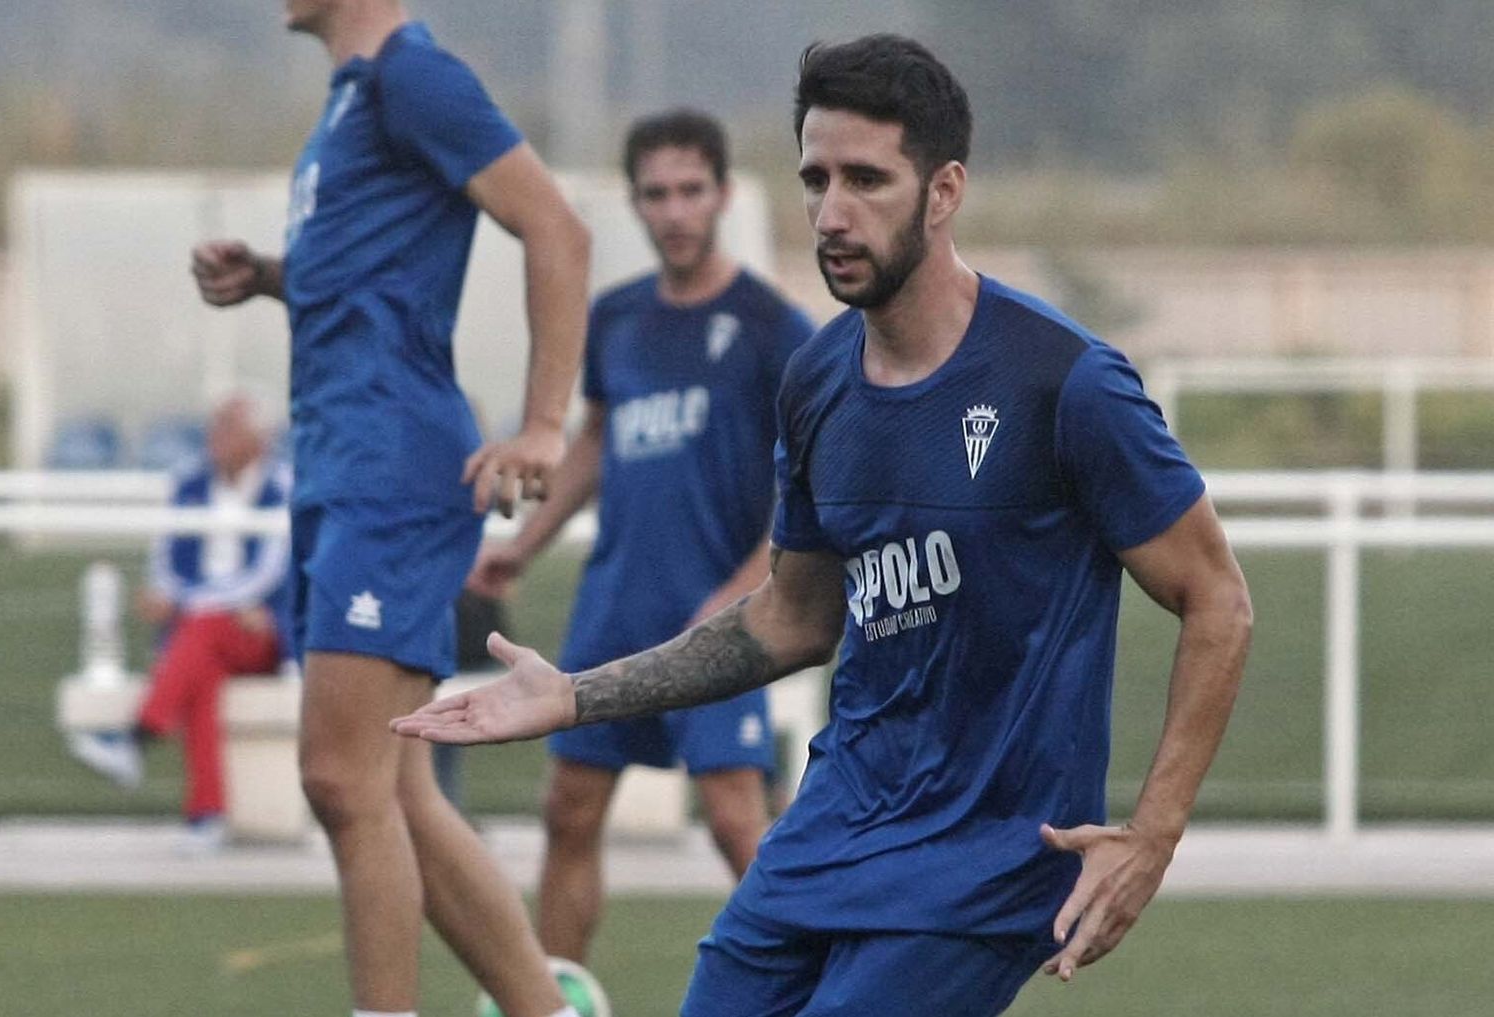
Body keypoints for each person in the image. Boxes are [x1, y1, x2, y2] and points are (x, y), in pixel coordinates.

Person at [392, 33, 1253, 1017]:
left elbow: (1217, 599)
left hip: (988, 856)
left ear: (943, 191)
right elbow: (790, 619)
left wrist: (1151, 837)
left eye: (866, 180)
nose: (831, 214)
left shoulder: (1064, 382)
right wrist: (574, 697)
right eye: (813, 178)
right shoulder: (815, 383)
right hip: (827, 834)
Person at [188, 2, 590, 1015]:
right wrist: (275, 281)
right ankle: (548, 1011)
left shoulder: (417, 76)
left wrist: (544, 425)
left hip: (394, 470)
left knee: (338, 780)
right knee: (391, 787)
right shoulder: (351, 99)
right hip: (337, 465)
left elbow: (557, 228)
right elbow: (377, 280)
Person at [466, 109, 816, 964]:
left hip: (720, 611)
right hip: (617, 600)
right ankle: (557, 994)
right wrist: (527, 540)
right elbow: (595, 437)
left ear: (724, 196)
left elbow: (807, 481)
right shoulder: (618, 317)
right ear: (636, 204)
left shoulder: (773, 327)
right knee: (569, 807)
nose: (675, 211)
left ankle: (815, 988)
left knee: (737, 817)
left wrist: (756, 587)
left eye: (691, 190)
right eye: (655, 194)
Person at [69, 393, 292, 854]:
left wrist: (190, 603)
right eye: (214, 427)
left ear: (260, 439)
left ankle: (136, 738)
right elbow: (164, 558)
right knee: (202, 675)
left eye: (229, 428)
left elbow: (269, 570)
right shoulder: (189, 483)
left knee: (202, 629)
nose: (217, 438)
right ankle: (205, 816)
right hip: (205, 632)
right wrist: (184, 600)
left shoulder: (282, 487)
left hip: (260, 630)